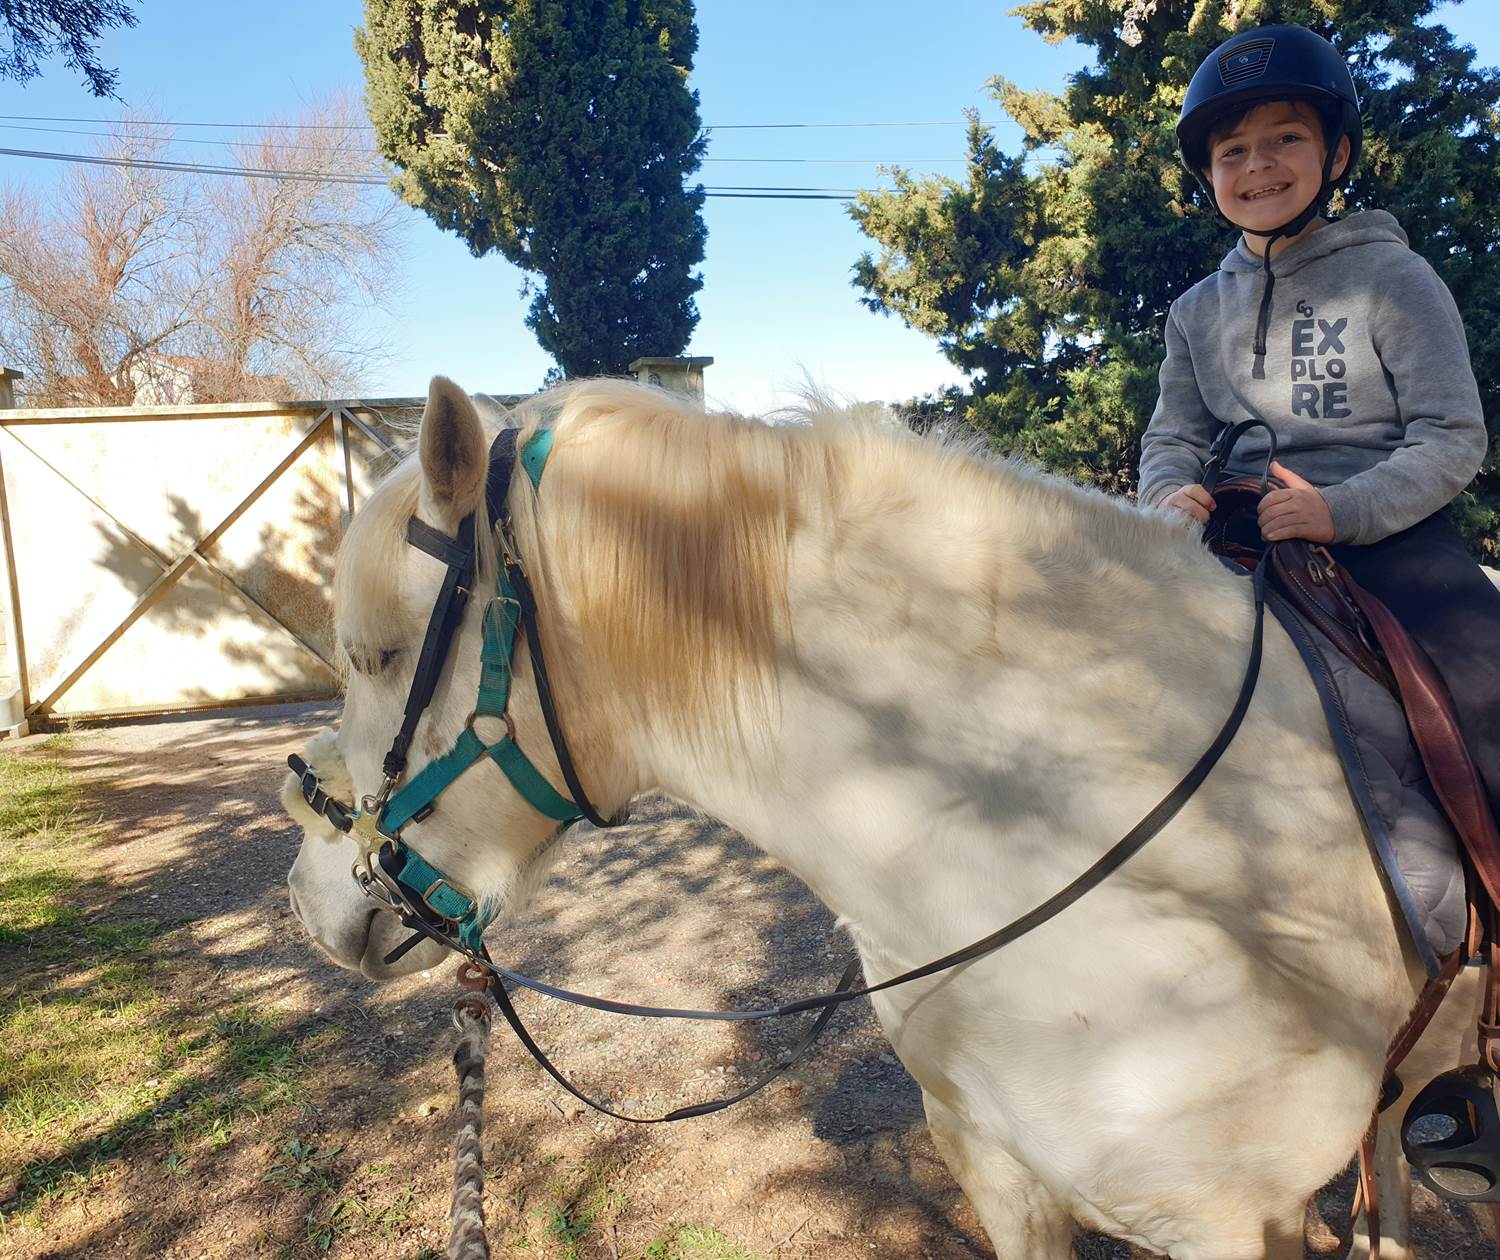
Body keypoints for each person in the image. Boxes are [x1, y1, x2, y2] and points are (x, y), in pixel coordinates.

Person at [1137, 23, 1500, 819]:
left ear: (1335, 156)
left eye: (1286, 139)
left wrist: (1341, 511)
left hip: (1389, 535)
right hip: (1236, 537)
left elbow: (1451, 434)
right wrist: (1166, 494)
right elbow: (1173, 435)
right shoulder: (1194, 311)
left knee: (1490, 684)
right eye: (1232, 150)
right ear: (1208, 174)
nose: (1258, 165)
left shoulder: (1394, 276)